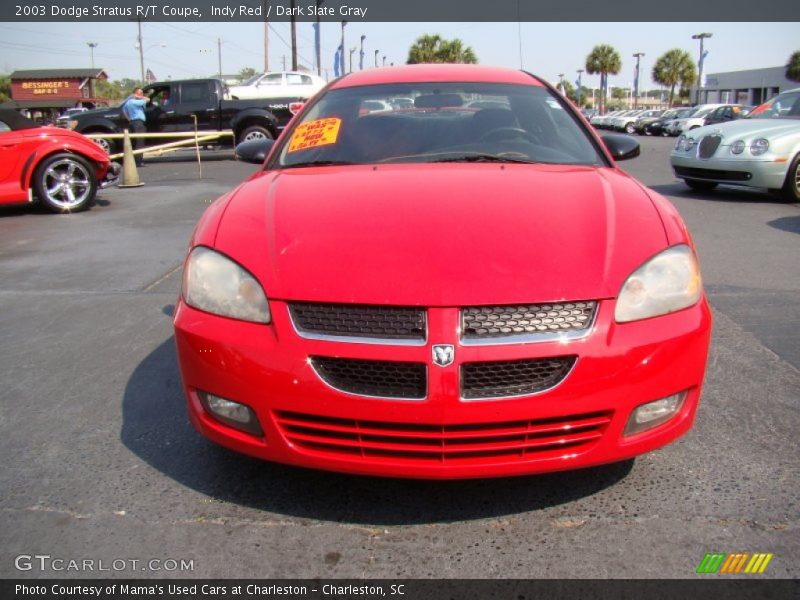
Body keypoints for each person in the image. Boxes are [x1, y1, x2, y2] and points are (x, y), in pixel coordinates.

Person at [121, 87, 149, 167]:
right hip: (138, 123)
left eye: (142, 93)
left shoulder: (128, 102)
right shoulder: (135, 102)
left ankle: (134, 161)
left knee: (135, 142)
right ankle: (138, 161)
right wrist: (140, 97)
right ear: (135, 94)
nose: (141, 95)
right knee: (140, 143)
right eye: (140, 93)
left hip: (132, 122)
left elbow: (124, 110)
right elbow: (148, 99)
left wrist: (129, 119)